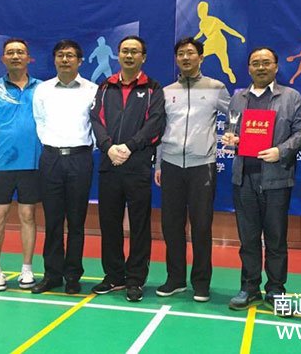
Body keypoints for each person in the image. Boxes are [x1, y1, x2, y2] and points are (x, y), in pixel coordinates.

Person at [221, 47, 301, 313]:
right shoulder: (238, 98)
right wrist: (232, 139)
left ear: (276, 67)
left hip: (276, 179)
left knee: (276, 239)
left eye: (266, 62)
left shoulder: (291, 97)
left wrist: (281, 150)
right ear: (249, 68)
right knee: (248, 238)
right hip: (244, 177)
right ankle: (249, 287)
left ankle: (276, 289)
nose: (261, 67)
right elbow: (234, 131)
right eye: (255, 63)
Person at [154, 37, 230, 302]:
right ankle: (175, 279)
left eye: (190, 53)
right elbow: (161, 128)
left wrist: (232, 134)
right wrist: (159, 163)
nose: (185, 58)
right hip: (171, 164)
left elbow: (235, 115)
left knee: (201, 226)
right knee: (171, 225)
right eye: (181, 54)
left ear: (201, 57)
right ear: (176, 59)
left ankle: (201, 283)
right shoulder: (167, 91)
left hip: (202, 166)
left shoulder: (215, 87)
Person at [90, 35, 165, 302]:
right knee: (109, 223)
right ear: (119, 55)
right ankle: (114, 276)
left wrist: (129, 147)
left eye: (134, 51)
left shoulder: (153, 88)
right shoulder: (105, 87)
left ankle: (135, 279)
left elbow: (155, 123)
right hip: (109, 163)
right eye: (124, 51)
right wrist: (108, 147)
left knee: (139, 225)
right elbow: (96, 120)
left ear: (143, 57)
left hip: (138, 165)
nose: (129, 55)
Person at [0, 38, 42, 292]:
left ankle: (27, 269)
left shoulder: (42, 89)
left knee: (28, 215)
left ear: (28, 58)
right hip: (0, 163)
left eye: (20, 52)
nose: (15, 56)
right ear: (3, 58)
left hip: (33, 163)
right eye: (10, 52)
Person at [31, 40, 97, 295]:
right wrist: (52, 146)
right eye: (60, 55)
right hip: (51, 158)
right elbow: (39, 121)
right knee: (53, 221)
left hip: (80, 158)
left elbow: (96, 125)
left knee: (77, 221)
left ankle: (73, 276)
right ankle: (52, 275)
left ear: (80, 61)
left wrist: (84, 149)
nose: (65, 60)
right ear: (55, 59)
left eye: (70, 56)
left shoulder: (92, 90)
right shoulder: (43, 90)